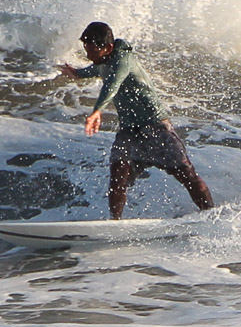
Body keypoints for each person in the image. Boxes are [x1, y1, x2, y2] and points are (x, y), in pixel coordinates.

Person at [59, 21, 214, 219]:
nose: (88, 55)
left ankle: (210, 215)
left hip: (156, 127)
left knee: (187, 176)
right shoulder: (103, 62)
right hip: (129, 132)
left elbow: (113, 84)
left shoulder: (124, 61)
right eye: (86, 49)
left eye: (91, 50)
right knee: (118, 177)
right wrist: (76, 73)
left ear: (108, 47)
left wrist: (97, 110)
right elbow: (94, 70)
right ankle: (115, 224)